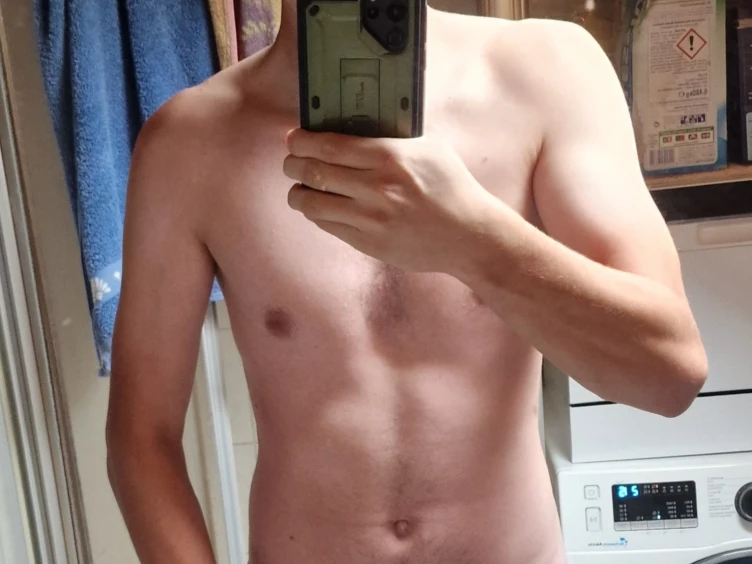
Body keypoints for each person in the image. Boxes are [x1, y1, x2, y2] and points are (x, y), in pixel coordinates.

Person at [105, 2, 708, 563]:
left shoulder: (549, 73)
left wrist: (473, 240)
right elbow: (141, 440)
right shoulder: (189, 141)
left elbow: (670, 375)